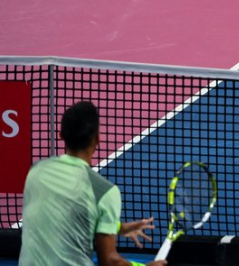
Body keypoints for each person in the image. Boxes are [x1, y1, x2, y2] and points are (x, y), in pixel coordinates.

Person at [19, 101, 166, 266]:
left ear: (61, 135)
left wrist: (117, 227)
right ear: (97, 139)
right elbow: (109, 262)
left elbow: (62, 211)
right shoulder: (104, 192)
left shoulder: (36, 172)